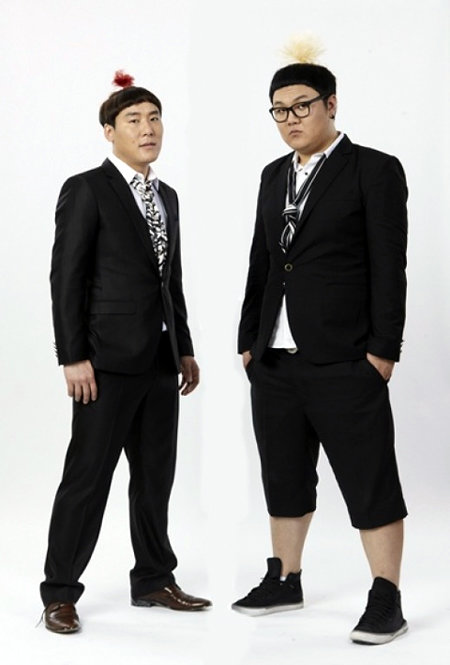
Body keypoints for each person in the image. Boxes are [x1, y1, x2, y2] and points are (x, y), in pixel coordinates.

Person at [233, 44, 408, 645]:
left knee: (369, 478)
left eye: (301, 106)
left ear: (331, 104)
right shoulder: (272, 174)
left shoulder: (373, 170)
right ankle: (285, 578)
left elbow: (390, 266)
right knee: (283, 475)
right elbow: (263, 262)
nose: (290, 119)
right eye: (278, 110)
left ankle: (386, 596)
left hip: (346, 358)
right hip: (275, 360)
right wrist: (249, 341)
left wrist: (382, 352)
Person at [40, 71, 211, 634]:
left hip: (160, 360)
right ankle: (60, 592)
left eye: (155, 118)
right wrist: (73, 356)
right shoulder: (87, 189)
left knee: (156, 477)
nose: (148, 128)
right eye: (134, 120)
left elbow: (170, 279)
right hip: (104, 362)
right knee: (87, 478)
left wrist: (183, 347)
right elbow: (67, 277)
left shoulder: (168, 196)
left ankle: (154, 578)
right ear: (109, 131)